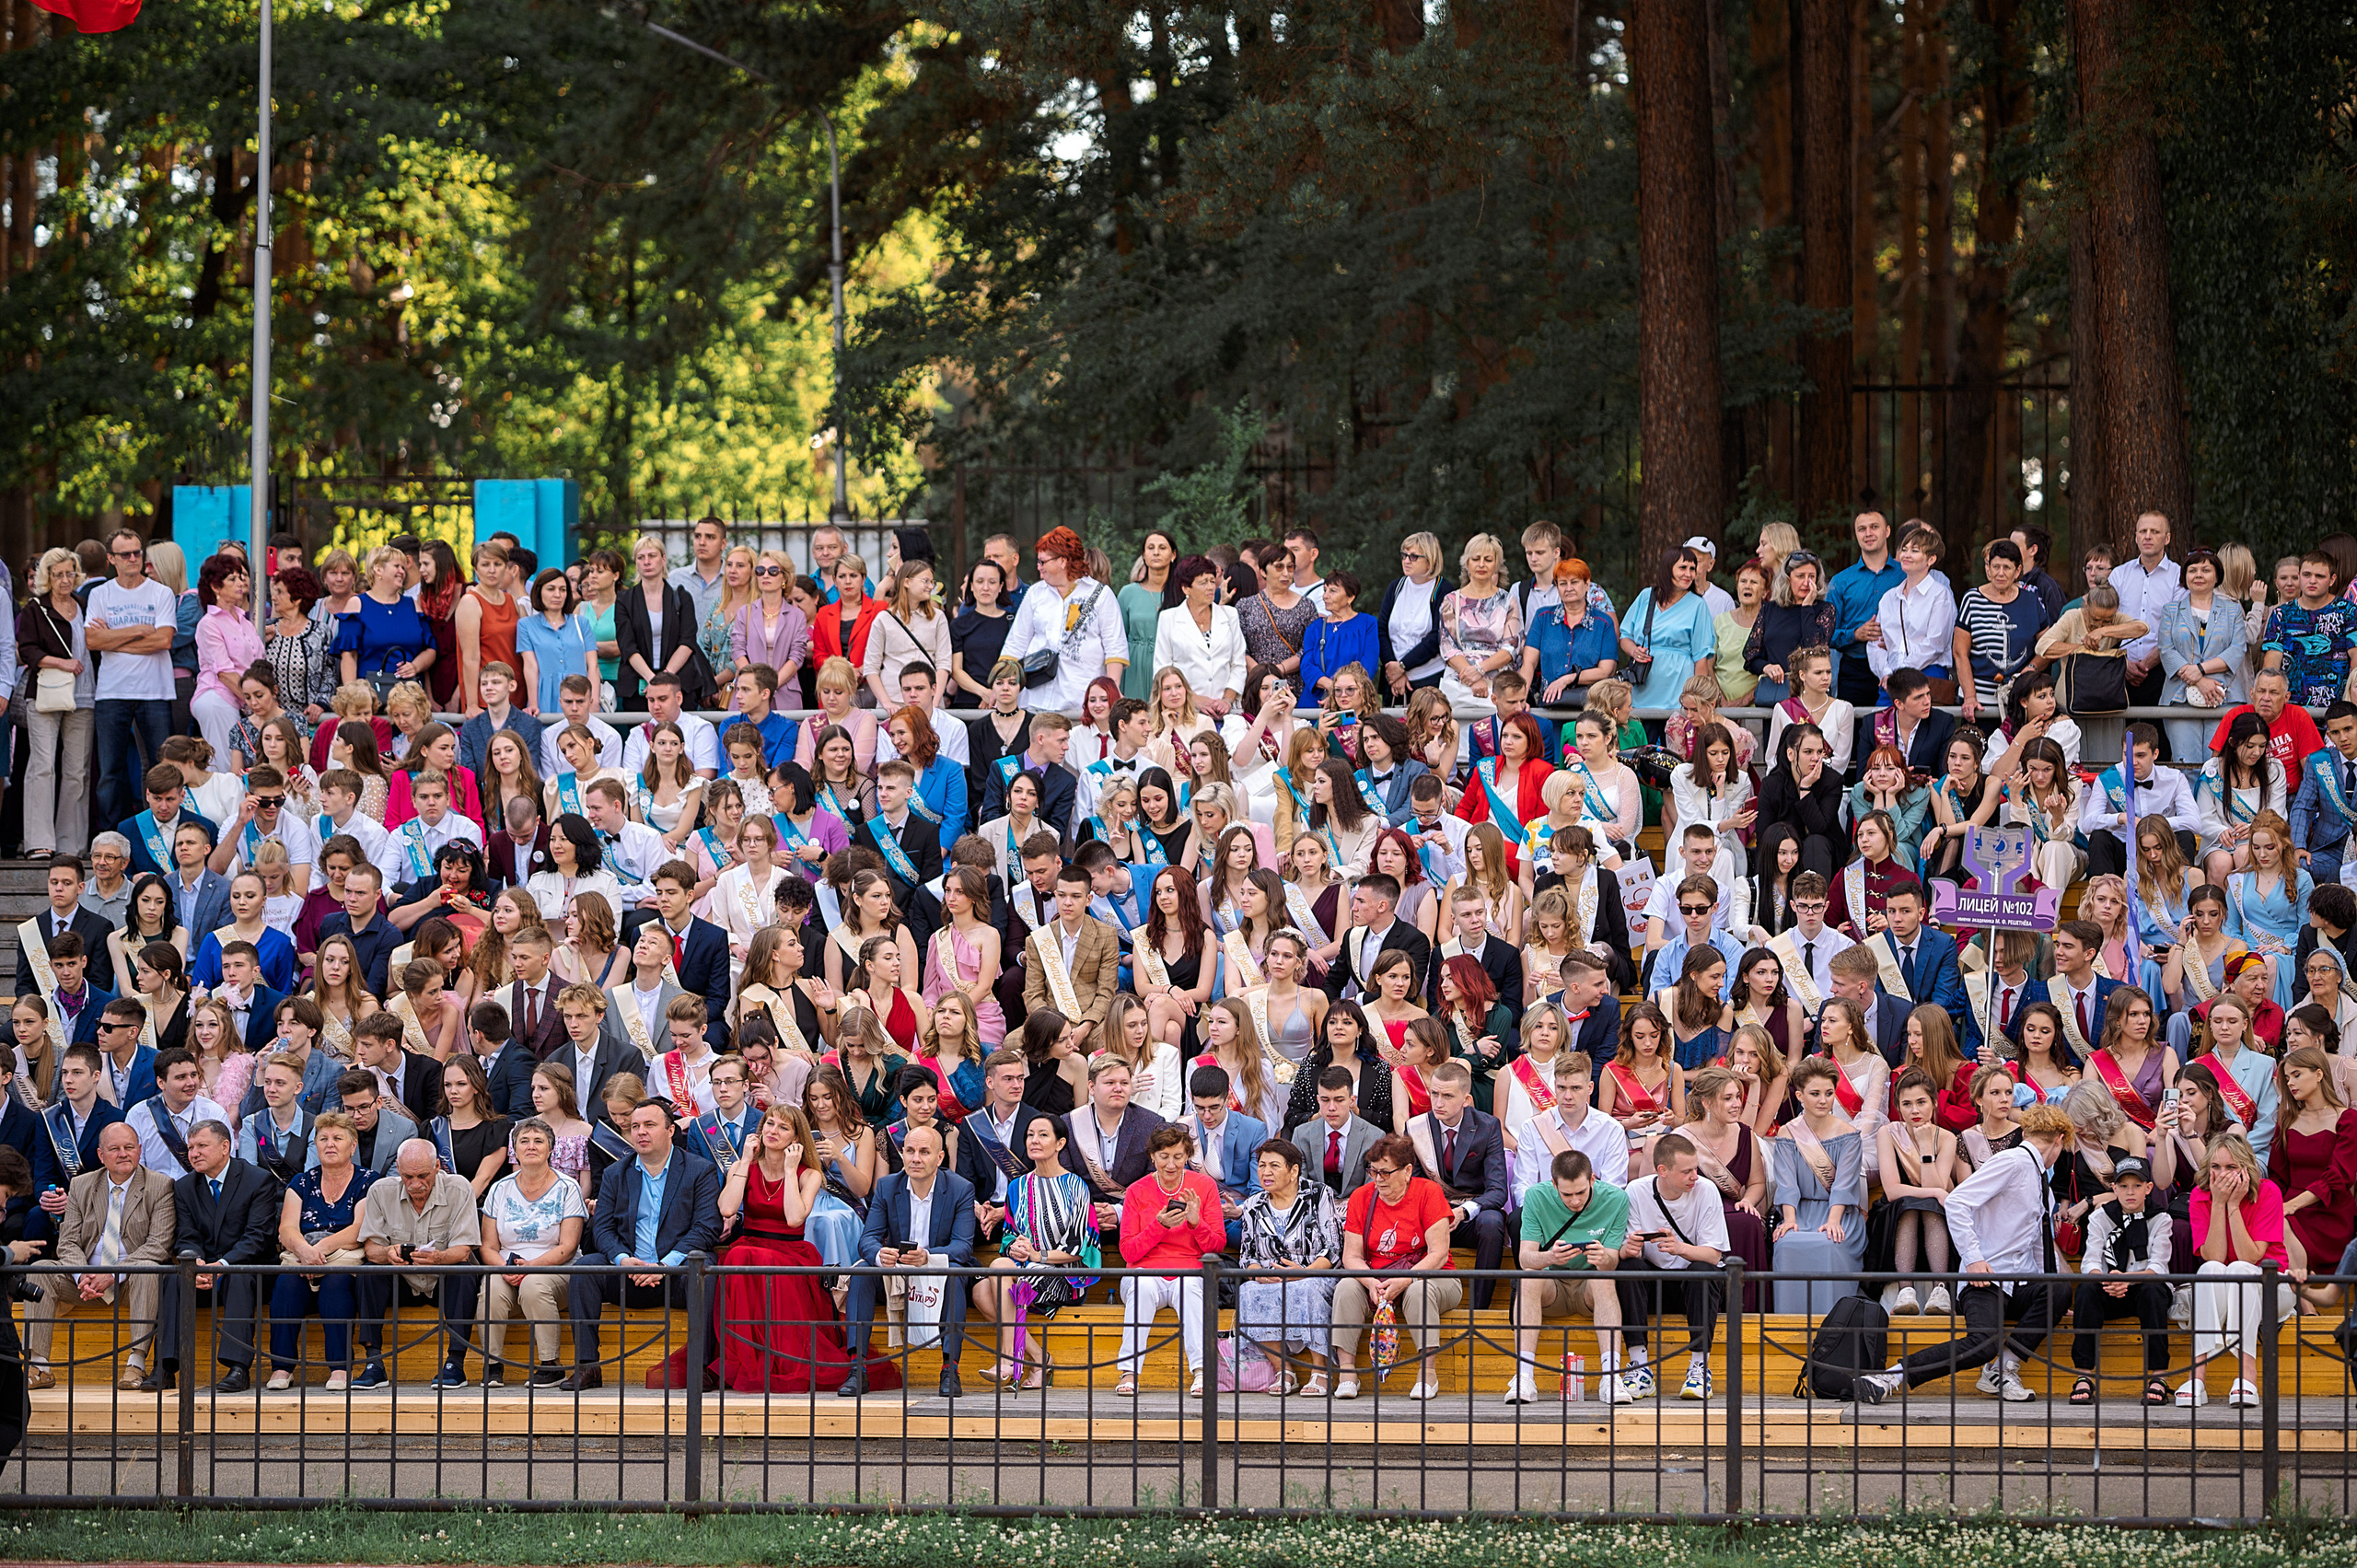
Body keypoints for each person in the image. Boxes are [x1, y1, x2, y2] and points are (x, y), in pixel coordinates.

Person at [1848, 1104, 2075, 1407]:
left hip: (2018, 1283)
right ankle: (1890, 1377)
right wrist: (1973, 1259)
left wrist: (2049, 1299)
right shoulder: (2012, 1161)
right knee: (1982, 1344)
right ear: (2059, 1139)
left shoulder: (2036, 1177)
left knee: (2057, 1289)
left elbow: (2036, 1243)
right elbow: (1956, 1203)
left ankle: (2003, 1369)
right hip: (1984, 1281)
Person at [560, 1098, 721, 1391]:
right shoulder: (615, 1174)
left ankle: (702, 1367)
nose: (640, 1132)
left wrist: (666, 1265)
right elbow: (603, 1228)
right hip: (628, 1273)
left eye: (649, 1125)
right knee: (585, 1268)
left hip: (678, 1273)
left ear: (671, 1130)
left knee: (707, 1273)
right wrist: (622, 1259)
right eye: (635, 1127)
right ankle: (588, 1367)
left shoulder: (699, 1170)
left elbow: (706, 1227)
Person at [20, 1121, 174, 1392]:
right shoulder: (82, 1185)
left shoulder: (160, 1186)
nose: (123, 1154)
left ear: (140, 1149)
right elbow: (67, 1241)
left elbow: (158, 1245)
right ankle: (39, 1366)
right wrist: (83, 1276)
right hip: (84, 1281)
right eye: (114, 1149)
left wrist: (111, 1275)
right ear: (101, 1156)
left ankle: (136, 1365)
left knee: (149, 1268)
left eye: (129, 1147)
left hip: (129, 1281)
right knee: (41, 1268)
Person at [970, 1112, 1098, 1388]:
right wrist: (1016, 1247)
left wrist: (1036, 1256)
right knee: (981, 1291)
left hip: (1064, 1276)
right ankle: (1039, 1359)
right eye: (1030, 1135)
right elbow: (1008, 1239)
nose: (1034, 1140)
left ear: (1060, 1143)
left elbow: (1079, 1248)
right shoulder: (1018, 1187)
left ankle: (1008, 1359)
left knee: (999, 1270)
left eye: (1043, 1135)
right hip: (1023, 1270)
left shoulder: (1077, 1186)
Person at [1329, 1132, 1459, 1400]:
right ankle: (1347, 1373)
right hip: (1379, 1277)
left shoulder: (1429, 1192)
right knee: (1345, 1287)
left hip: (1434, 1276)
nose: (1378, 1179)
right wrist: (1370, 1282)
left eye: (1386, 1173)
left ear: (1408, 1170)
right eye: (1373, 1171)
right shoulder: (1361, 1197)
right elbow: (1351, 1256)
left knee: (1418, 1291)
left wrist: (1405, 1279)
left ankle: (1427, 1375)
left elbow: (1438, 1253)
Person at [151, 1120, 277, 1393]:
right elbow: (186, 1235)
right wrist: (194, 1262)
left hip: (249, 1271)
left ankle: (238, 1368)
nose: (193, 1153)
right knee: (173, 1280)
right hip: (204, 1273)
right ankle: (164, 1367)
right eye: (190, 1147)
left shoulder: (258, 1180)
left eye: (201, 1146)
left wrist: (221, 1265)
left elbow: (257, 1237)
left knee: (240, 1278)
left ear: (225, 1147)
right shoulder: (185, 1187)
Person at [1502, 1147, 1629, 1404]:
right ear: (1553, 1185)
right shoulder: (1536, 1196)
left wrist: (1604, 1258)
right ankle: (1524, 1375)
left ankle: (1611, 1377)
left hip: (1590, 1288)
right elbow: (1526, 1257)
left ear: (1593, 1179)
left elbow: (1613, 1260)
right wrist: (1550, 1257)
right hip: (1553, 1286)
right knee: (1528, 1276)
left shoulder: (1616, 1199)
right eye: (1567, 1194)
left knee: (1605, 1279)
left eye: (1581, 1192)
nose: (1574, 1201)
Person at [261, 1109, 377, 1389]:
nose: (330, 1144)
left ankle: (340, 1368)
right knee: (286, 1286)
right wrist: (305, 1250)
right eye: (323, 1138)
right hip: (304, 1258)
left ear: (353, 1145)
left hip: (342, 1256)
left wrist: (321, 1248)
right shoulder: (301, 1182)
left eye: (338, 1137)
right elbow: (286, 1229)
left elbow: (360, 1229)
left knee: (335, 1286)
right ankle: (282, 1366)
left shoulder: (368, 1181)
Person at [1110, 1123, 1225, 1397]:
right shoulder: (1137, 1191)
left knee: (1189, 1289)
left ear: (1188, 1156)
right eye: (1164, 1156)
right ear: (1152, 1157)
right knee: (1144, 1287)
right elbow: (1128, 1251)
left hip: (1190, 1272)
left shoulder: (1204, 1186)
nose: (1171, 1164)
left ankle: (1202, 1371)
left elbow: (1217, 1245)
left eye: (1178, 1156)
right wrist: (1158, 1226)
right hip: (1145, 1270)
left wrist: (1197, 1223)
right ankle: (1129, 1372)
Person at [2179, 1133, 2293, 1409]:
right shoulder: (2200, 1196)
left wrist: (2233, 1206)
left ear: (2246, 1168)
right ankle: (2198, 1377)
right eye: (2216, 1167)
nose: (2222, 1175)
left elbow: (2251, 1256)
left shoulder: (2268, 1192)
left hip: (2273, 1289)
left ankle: (2247, 1375)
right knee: (2210, 1269)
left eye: (2231, 1168)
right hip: (2225, 1289)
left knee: (2241, 1267)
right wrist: (2218, 1204)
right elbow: (2214, 1256)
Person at [87, 528, 180, 833]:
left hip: (154, 690)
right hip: (112, 691)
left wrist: (112, 639)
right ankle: (111, 836)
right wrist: (139, 629)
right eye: (125, 554)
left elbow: (164, 639)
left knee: (160, 768)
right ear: (111, 559)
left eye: (137, 552)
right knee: (110, 771)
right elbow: (91, 640)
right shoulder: (101, 594)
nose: (133, 559)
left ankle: (158, 833)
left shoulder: (161, 593)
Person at [2066, 1154, 2174, 1407]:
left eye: (2137, 1186)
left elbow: (2158, 1267)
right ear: (2114, 1188)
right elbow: (2090, 1262)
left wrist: (2128, 1280)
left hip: (2143, 1290)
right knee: (2085, 1291)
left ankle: (2158, 1378)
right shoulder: (2101, 1217)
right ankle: (2084, 1376)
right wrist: (2109, 1281)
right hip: (2110, 1287)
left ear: (2148, 1188)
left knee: (2153, 1291)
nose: (2130, 1193)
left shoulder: (2161, 1219)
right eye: (2123, 1186)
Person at [18, 548, 94, 858]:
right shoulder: (36, 609)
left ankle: (71, 844)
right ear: (46, 577)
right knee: (42, 766)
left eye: (70, 572)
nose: (65, 579)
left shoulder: (85, 605)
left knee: (78, 771)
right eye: (58, 574)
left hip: (85, 694)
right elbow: (26, 650)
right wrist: (60, 663)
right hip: (46, 695)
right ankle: (39, 842)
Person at [1617, 545, 1714, 718]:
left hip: (1678, 692)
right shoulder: (1647, 596)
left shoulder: (1698, 605)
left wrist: (1697, 699)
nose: (1689, 574)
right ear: (1668, 568)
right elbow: (1625, 636)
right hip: (1643, 689)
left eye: (1692, 568)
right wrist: (1634, 651)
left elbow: (1701, 658)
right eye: (1683, 568)